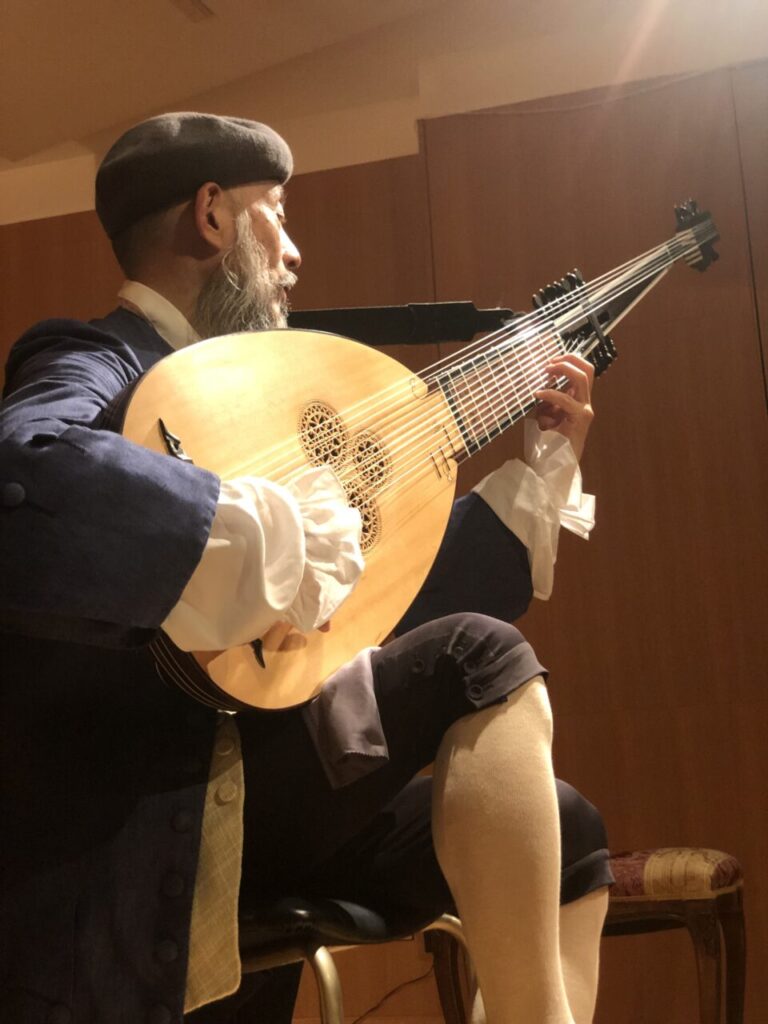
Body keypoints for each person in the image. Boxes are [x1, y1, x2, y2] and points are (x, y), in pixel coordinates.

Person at [0, 113, 612, 1024]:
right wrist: (275, 535)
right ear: (213, 215)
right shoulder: (97, 360)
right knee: (475, 655)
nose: (292, 256)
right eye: (277, 215)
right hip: (156, 815)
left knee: (568, 826)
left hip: (265, 785)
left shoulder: (259, 398)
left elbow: (368, 604)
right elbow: (26, 469)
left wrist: (542, 468)